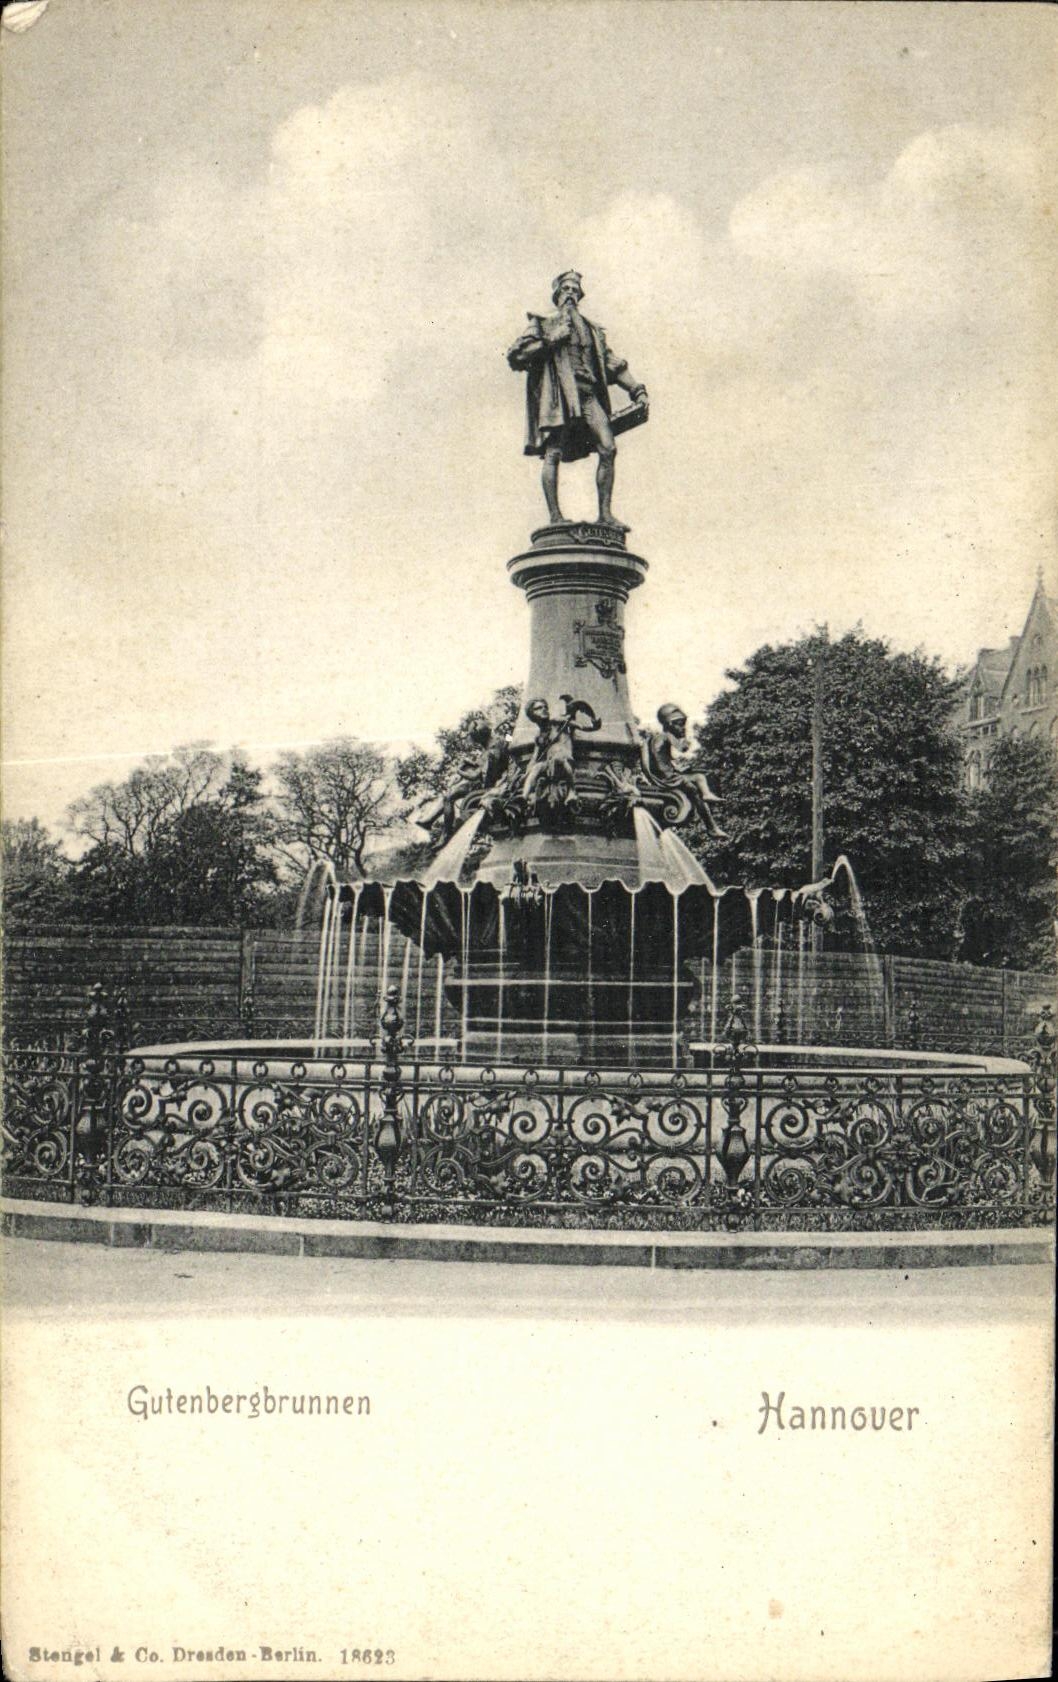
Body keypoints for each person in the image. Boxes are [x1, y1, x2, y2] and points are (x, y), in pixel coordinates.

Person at [507, 271, 648, 529]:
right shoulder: (542, 323)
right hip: (560, 396)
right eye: (566, 290)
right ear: (557, 295)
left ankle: (605, 515)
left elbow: (611, 363)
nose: (570, 294)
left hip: (588, 394)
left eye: (575, 290)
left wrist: (636, 389)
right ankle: (555, 517)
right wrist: (551, 339)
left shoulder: (592, 330)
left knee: (608, 448)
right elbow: (517, 356)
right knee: (553, 452)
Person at [640, 704, 728, 838]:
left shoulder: (655, 738)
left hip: (664, 776)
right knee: (699, 778)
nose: (683, 728)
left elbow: (659, 760)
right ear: (670, 724)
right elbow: (682, 748)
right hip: (669, 778)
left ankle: (711, 826)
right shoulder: (667, 736)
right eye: (680, 725)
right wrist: (685, 741)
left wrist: (677, 769)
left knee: (694, 784)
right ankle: (707, 799)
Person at [521, 694, 601, 811]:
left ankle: (572, 791)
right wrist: (526, 773)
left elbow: (581, 726)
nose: (543, 709)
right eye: (538, 708)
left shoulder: (557, 723)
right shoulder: (539, 736)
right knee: (537, 767)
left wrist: (593, 724)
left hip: (564, 759)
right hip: (549, 762)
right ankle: (523, 797)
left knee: (558, 759)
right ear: (532, 714)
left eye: (545, 707)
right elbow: (534, 757)